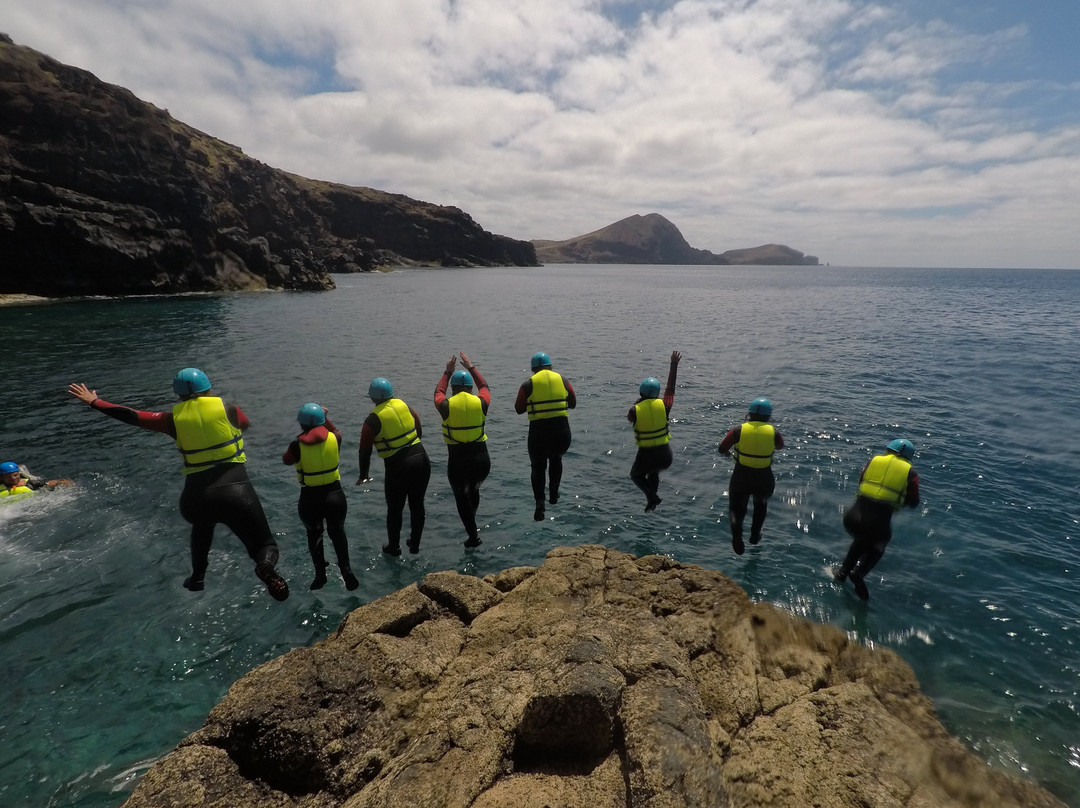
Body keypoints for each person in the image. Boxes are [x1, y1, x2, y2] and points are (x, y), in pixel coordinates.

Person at [67, 370, 289, 601]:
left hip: (196, 498)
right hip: (235, 490)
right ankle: (264, 566)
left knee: (203, 523)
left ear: (178, 396)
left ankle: (197, 577)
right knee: (265, 546)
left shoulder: (171, 419)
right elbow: (244, 425)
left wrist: (95, 401)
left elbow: (131, 415)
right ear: (208, 389)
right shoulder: (229, 409)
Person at [282, 403, 358, 590]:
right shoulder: (336, 438)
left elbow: (286, 460)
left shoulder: (296, 445)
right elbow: (335, 430)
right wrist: (326, 418)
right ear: (322, 422)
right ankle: (346, 570)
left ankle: (320, 575)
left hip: (310, 499)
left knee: (314, 534)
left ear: (301, 424)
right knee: (337, 532)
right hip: (335, 496)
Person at [834, 438, 920, 601]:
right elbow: (914, 501)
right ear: (908, 457)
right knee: (878, 545)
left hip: (852, 518)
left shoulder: (873, 461)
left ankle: (842, 573)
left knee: (861, 539)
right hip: (878, 525)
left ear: (889, 449)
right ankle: (858, 573)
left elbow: (861, 481)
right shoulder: (911, 473)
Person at [357, 378, 431, 557]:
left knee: (395, 508)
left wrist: (364, 474)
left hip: (398, 467)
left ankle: (394, 547)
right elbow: (418, 424)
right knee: (417, 503)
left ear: (372, 398)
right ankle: (414, 544)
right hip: (421, 458)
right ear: (391, 393)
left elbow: (364, 450)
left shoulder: (372, 420)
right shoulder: (403, 404)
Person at [434, 352, 490, 547]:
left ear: (454, 388)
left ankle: (473, 536)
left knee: (461, 496)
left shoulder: (446, 405)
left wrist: (447, 372)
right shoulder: (481, 403)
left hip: (458, 461)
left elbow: (437, 393)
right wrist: (471, 367)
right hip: (482, 460)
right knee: (474, 489)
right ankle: (472, 523)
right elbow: (484, 387)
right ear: (470, 388)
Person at [514, 351, 577, 521]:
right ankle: (554, 493)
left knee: (538, 467)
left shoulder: (528, 385)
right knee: (556, 459)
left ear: (534, 369)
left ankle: (540, 505)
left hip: (539, 433)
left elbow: (518, 408)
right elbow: (573, 403)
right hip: (562, 432)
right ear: (550, 366)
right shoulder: (563, 380)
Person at [718, 398, 785, 554]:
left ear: (749, 414)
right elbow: (780, 446)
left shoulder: (738, 431)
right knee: (760, 505)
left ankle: (737, 537)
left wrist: (729, 453)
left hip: (741, 476)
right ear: (769, 416)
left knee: (735, 509)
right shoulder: (774, 433)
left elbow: (722, 448)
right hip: (764, 478)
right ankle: (755, 535)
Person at [627, 351, 681, 512]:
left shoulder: (634, 410)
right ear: (657, 393)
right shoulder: (665, 406)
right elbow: (671, 388)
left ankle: (652, 496)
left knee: (636, 475)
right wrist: (674, 364)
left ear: (640, 392)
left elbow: (630, 419)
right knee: (654, 473)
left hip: (646, 454)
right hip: (665, 455)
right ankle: (651, 500)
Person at [1, 460, 73, 503]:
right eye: (8, 477)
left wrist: (61, 482)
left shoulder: (30, 484)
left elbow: (49, 483)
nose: (13, 478)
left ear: (19, 474)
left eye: (15, 475)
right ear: (1, 478)